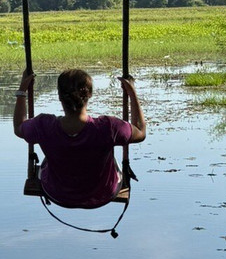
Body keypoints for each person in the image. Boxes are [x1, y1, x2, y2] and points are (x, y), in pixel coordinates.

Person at [14, 69, 146, 208]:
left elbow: (19, 127)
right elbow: (140, 132)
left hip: (58, 193)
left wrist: (22, 90)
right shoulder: (109, 127)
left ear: (59, 96)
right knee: (111, 157)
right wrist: (132, 92)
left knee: (49, 158)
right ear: (89, 94)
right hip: (103, 193)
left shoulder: (43, 125)